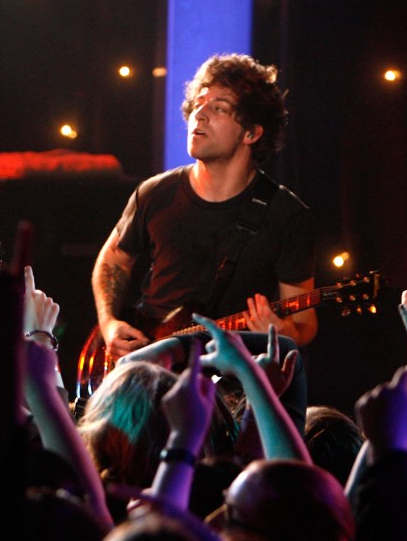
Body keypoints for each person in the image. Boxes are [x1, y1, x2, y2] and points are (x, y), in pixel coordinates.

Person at [92, 53, 317, 362]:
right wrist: (109, 323)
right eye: (198, 103)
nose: (199, 113)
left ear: (252, 133)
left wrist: (280, 331)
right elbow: (114, 259)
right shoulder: (156, 192)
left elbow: (305, 323)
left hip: (226, 384)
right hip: (143, 367)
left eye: (218, 107)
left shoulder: (286, 215)